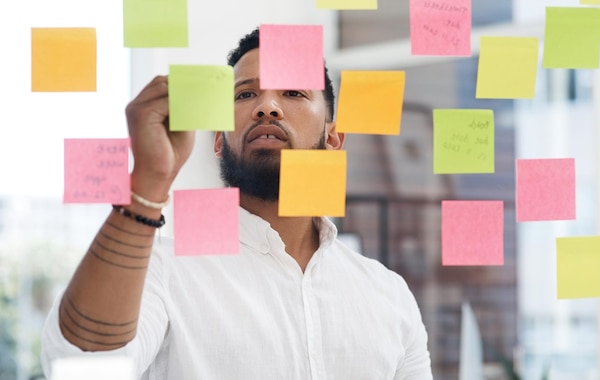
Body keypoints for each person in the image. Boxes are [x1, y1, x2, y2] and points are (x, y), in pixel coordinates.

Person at [41, 27, 433, 379]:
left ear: (333, 139)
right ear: (218, 140)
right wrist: (148, 181)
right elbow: (83, 366)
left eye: (293, 92)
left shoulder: (388, 294)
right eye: (245, 93)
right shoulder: (158, 255)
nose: (267, 107)